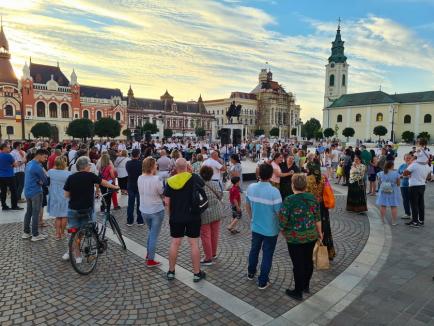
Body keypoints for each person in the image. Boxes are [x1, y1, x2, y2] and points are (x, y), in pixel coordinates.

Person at [62, 156, 118, 261]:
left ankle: (74, 254)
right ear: (86, 166)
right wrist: (115, 187)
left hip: (73, 209)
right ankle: (85, 251)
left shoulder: (71, 177)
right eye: (89, 165)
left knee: (74, 233)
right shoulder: (90, 176)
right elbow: (104, 182)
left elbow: (66, 194)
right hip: (86, 209)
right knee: (87, 231)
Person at [279, 173, 322, 301]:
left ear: (293, 185)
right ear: (305, 185)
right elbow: (317, 217)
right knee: (308, 261)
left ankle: (298, 291)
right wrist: (320, 233)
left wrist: (284, 233)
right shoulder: (312, 198)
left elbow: (282, 222)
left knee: (298, 264)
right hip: (311, 235)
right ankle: (305, 286)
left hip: (294, 238)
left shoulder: (289, 200)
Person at [164, 158, 206, 282]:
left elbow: (166, 202)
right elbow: (202, 186)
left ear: (176, 168)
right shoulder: (194, 177)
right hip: (193, 216)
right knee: (194, 244)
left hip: (176, 217)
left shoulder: (170, 181)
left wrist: (170, 216)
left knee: (175, 243)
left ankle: (171, 271)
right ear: (187, 167)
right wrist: (191, 172)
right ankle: (197, 273)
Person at [246, 163, 282, 290]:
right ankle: (262, 281)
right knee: (267, 254)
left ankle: (251, 272)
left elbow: (247, 206)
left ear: (259, 174)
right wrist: (282, 228)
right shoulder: (274, 192)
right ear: (271, 175)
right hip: (271, 230)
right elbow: (279, 213)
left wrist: (252, 218)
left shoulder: (251, 187)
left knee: (254, 250)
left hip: (256, 227)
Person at [138, 157, 165, 267]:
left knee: (151, 232)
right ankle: (151, 259)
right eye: (155, 165)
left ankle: (149, 253)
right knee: (154, 235)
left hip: (144, 210)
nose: (157, 166)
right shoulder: (156, 179)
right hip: (156, 210)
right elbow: (162, 192)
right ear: (152, 166)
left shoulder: (140, 178)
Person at [306, 161, 336, 260]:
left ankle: (312, 253)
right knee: (324, 227)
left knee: (311, 228)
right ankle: (327, 252)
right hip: (322, 207)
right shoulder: (323, 178)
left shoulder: (307, 179)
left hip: (311, 207)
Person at [22, 149, 49, 241]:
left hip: (27, 191)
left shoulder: (29, 163)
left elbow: (30, 176)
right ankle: (35, 234)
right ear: (39, 155)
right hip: (36, 192)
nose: (46, 159)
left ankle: (26, 232)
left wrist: (38, 180)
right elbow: (45, 181)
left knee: (29, 212)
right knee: (35, 213)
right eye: (45, 157)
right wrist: (40, 181)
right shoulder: (37, 167)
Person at [199, 165, 224, 265]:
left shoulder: (199, 185)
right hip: (216, 211)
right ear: (211, 174)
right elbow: (221, 195)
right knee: (215, 234)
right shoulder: (215, 184)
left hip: (204, 214)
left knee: (206, 235)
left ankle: (208, 258)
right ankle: (213, 253)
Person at [47, 156, 71, 239]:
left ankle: (57, 234)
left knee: (58, 217)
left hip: (54, 196)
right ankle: (62, 232)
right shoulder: (68, 173)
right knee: (64, 216)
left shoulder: (51, 172)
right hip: (65, 196)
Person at [404, 155, 431, 228]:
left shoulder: (414, 164)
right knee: (421, 204)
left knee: (414, 204)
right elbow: (429, 177)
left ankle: (415, 221)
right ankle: (421, 220)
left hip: (414, 186)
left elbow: (405, 173)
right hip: (422, 185)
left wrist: (410, 173)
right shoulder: (426, 165)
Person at [376, 161, 401, 225]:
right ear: (392, 166)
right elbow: (398, 184)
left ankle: (382, 220)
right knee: (393, 206)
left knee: (383, 205)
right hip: (393, 191)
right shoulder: (396, 173)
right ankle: (394, 221)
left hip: (383, 190)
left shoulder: (381, 173)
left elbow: (379, 182)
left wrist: (385, 184)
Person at [0, 143, 21, 211]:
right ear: (4, 148)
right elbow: (15, 165)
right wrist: (20, 162)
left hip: (1, 176)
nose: (10, 149)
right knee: (13, 191)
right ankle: (14, 206)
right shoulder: (8, 156)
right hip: (9, 176)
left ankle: (4, 205)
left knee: (3, 191)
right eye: (9, 148)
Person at [126, 149, 144, 226]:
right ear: (138, 155)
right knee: (140, 203)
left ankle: (130, 221)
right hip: (139, 184)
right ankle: (140, 220)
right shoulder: (141, 163)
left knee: (130, 203)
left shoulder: (128, 163)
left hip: (130, 184)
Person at [398, 154, 412, 220]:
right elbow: (397, 174)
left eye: (409, 158)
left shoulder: (413, 166)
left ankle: (415, 214)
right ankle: (407, 213)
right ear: (404, 159)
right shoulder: (402, 166)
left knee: (413, 200)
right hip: (404, 185)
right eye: (407, 158)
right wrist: (402, 176)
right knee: (405, 200)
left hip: (412, 186)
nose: (408, 159)